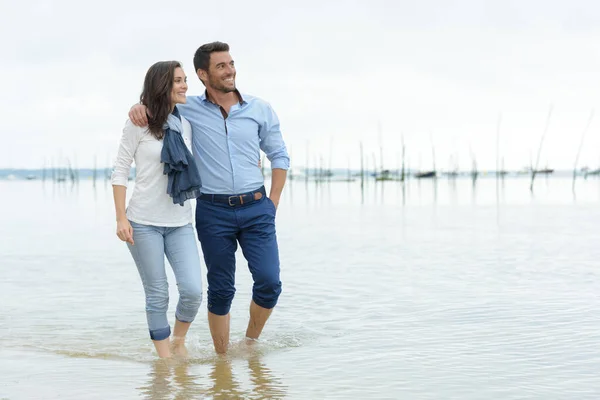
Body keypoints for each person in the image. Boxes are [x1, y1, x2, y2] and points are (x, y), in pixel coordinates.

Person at [129, 41, 290, 354]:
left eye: (231, 64)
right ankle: (223, 358)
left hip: (257, 208)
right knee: (220, 289)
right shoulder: (187, 108)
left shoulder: (260, 108)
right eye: (221, 66)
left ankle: (250, 342)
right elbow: (156, 102)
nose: (230, 70)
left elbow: (279, 155)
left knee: (269, 283)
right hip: (213, 212)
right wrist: (138, 105)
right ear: (203, 74)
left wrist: (273, 203)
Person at [111, 61, 203, 359]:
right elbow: (120, 171)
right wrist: (121, 217)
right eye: (178, 80)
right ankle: (165, 362)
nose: (185, 85)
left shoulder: (184, 124)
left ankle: (178, 341)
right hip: (142, 222)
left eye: (185, 79)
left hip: (179, 222)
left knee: (192, 291)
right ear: (163, 84)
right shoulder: (137, 123)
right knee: (158, 293)